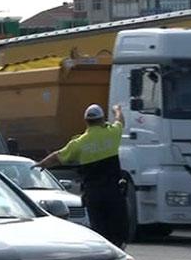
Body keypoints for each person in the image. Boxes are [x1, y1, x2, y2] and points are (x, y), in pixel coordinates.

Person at [34, 104, 128, 248]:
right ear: (102, 119)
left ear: (86, 121)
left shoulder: (79, 143)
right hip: (113, 192)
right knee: (117, 229)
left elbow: (57, 156)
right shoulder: (112, 133)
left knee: (99, 230)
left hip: (93, 194)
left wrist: (41, 164)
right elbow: (120, 121)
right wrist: (117, 110)